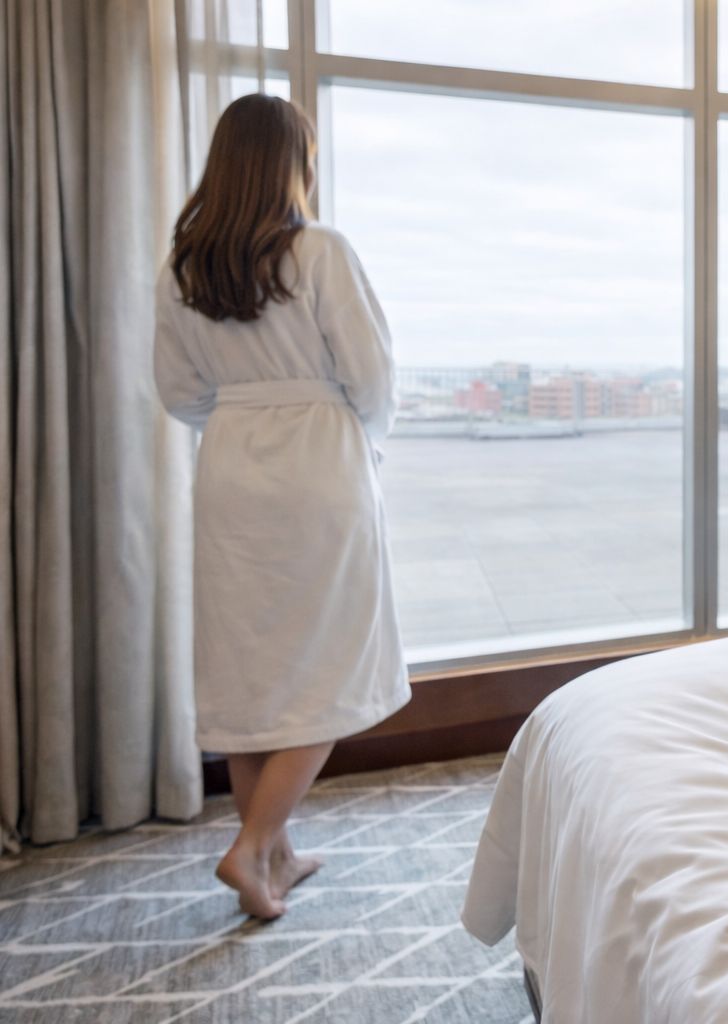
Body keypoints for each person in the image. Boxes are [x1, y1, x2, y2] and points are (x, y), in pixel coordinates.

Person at [154, 94, 409, 919]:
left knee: (251, 665)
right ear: (291, 163)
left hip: (229, 469)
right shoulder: (321, 251)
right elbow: (371, 376)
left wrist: (238, 418)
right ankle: (254, 846)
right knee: (331, 660)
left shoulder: (183, 267)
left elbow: (178, 392)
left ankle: (274, 853)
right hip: (318, 469)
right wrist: (356, 436)